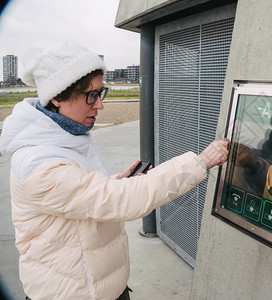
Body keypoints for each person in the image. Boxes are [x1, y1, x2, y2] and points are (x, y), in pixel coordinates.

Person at [0, 43, 228, 300]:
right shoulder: (38, 162)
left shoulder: (62, 137)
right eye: (91, 95)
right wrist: (200, 163)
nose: (100, 105)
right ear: (57, 97)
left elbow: (80, 195)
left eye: (101, 93)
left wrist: (113, 181)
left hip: (96, 285)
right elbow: (119, 200)